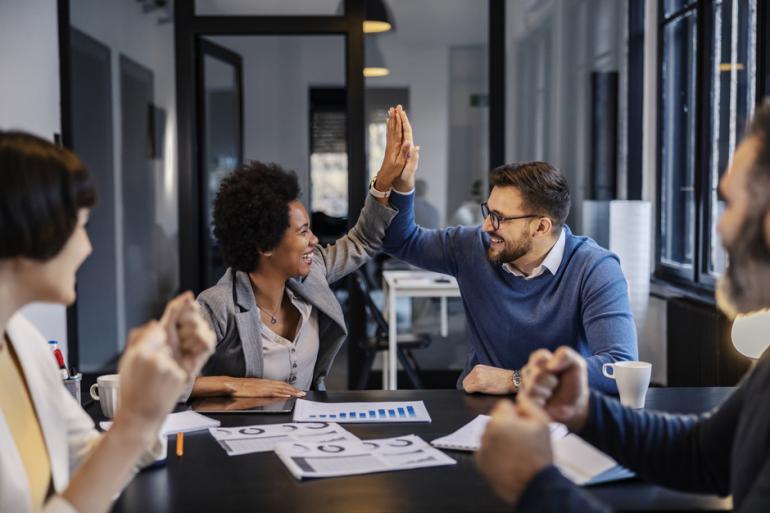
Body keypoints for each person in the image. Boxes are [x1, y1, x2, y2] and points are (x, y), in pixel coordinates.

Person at [475, 100, 770, 512]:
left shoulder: (594, 265)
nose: (718, 228)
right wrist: (585, 411)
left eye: (731, 204)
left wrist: (535, 485)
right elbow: (702, 455)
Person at [0, 131, 215, 513]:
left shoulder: (23, 342)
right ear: (30, 228)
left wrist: (156, 394)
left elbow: (89, 460)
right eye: (80, 226)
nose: (88, 246)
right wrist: (134, 418)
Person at [382, 112, 637, 395]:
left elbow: (619, 367)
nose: (486, 225)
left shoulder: (595, 268)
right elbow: (399, 241)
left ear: (541, 227)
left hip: (557, 412)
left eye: (500, 218)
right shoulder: (472, 246)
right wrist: (402, 185)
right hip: (478, 412)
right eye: (488, 212)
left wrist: (514, 379)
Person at [191, 106, 416, 398]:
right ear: (266, 245)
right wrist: (232, 384)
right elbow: (160, 381)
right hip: (246, 438)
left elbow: (363, 240)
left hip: (308, 436)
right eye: (302, 231)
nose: (314, 239)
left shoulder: (311, 275)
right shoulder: (217, 305)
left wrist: (385, 178)